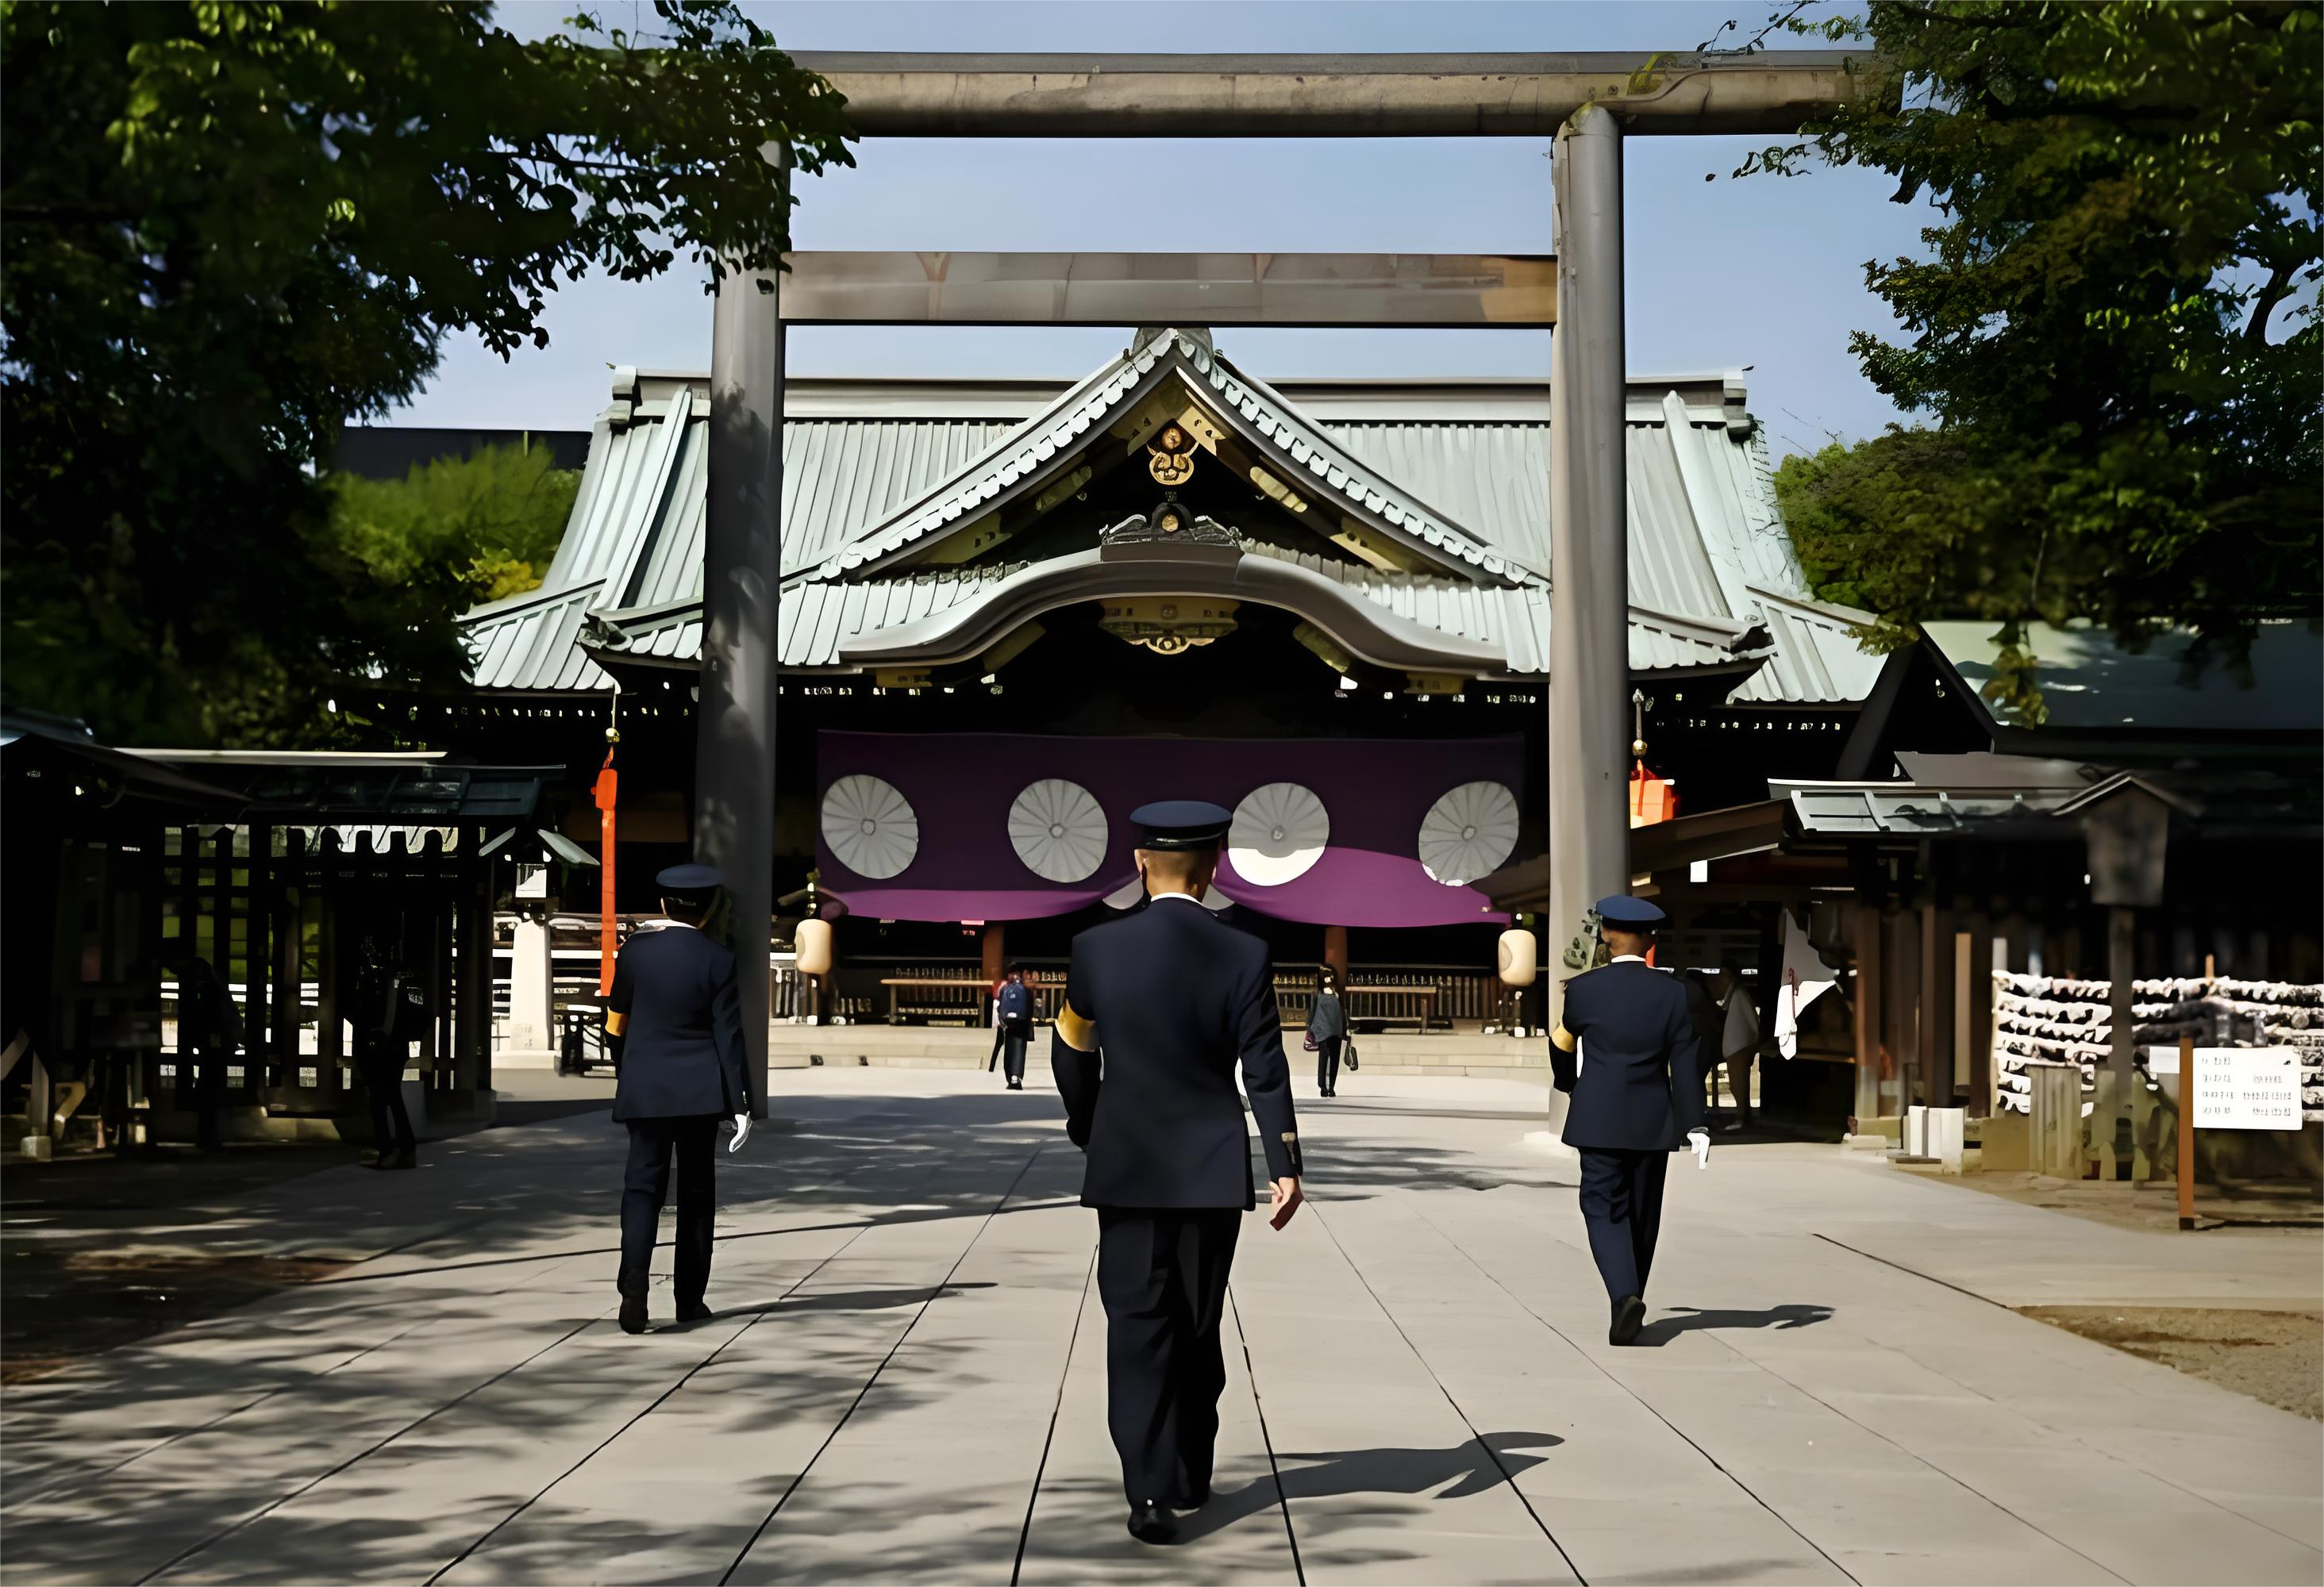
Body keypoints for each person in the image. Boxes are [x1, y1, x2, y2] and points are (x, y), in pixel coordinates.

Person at [1051, 801, 1303, 1547]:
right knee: (1197, 1321)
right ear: (1215, 866)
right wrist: (1284, 1163)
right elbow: (1265, 1067)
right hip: (1210, 1169)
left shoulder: (1095, 949)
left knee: (1136, 1325)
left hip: (1127, 1164)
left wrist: (1088, 1123)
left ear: (1138, 864)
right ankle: (1191, 1471)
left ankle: (1150, 1492)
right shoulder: (1246, 954)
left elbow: (1072, 1049)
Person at [1550, 895, 1710, 1346]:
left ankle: (1624, 1297)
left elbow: (1561, 1043)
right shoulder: (1673, 992)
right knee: (1644, 1215)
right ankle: (1632, 1296)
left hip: (1597, 1118)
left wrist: (1568, 1084)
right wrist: (1695, 1123)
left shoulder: (1582, 990)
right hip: (1651, 1121)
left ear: (1605, 935)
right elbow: (1685, 1062)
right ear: (1650, 940)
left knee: (1603, 1208)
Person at [606, 864, 756, 1335]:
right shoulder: (718, 958)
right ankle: (689, 1300)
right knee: (695, 1196)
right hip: (700, 1093)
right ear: (710, 909)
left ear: (666, 904)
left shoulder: (634, 953)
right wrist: (740, 1103)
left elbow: (615, 1020)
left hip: (646, 1088)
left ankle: (634, 1288)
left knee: (641, 1188)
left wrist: (625, 1069)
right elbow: (729, 1038)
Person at [351, 940, 417, 1170]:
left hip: (380, 1048)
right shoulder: (403, 980)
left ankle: (388, 1151)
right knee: (392, 1099)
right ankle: (405, 1150)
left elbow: (361, 1014)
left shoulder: (374, 980)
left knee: (379, 1102)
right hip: (396, 1048)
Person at [1307, 966, 1348, 1097]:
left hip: (1336, 1029)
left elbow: (1343, 1011)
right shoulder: (1318, 992)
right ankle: (1323, 1086)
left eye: (1330, 976)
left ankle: (1331, 1086)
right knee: (1324, 1059)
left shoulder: (1337, 992)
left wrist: (1345, 1029)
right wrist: (1311, 1027)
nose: (1329, 978)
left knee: (1334, 1060)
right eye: (1326, 976)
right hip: (1323, 1029)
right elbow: (1313, 1011)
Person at [991, 963, 1034, 1090]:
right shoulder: (1026, 990)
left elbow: (999, 1007)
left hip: (1008, 1024)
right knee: (1020, 1049)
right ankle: (1017, 1077)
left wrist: (1002, 1020)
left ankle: (1010, 1077)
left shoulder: (1004, 989)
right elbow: (1030, 1009)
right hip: (1021, 1023)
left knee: (1009, 1048)